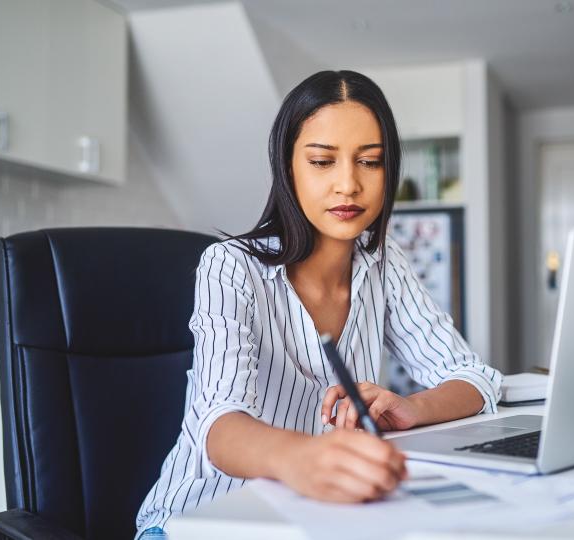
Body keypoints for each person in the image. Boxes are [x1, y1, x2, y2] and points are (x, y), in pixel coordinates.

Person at [135, 70, 502, 538]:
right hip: (199, 521)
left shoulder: (383, 261)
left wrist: (413, 407)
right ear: (288, 167)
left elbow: (474, 378)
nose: (348, 184)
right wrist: (301, 457)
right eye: (323, 161)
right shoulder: (229, 267)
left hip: (317, 519)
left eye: (370, 162)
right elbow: (218, 425)